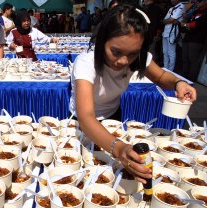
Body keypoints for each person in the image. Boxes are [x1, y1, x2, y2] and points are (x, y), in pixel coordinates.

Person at [70, 4, 197, 183]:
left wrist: (178, 82)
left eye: (132, 54)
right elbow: (86, 116)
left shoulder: (137, 58)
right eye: (116, 52)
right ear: (102, 40)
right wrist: (120, 149)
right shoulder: (86, 62)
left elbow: (161, 76)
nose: (123, 61)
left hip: (112, 117)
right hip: (84, 122)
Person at [180, 0, 207, 82]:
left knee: (193, 60)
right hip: (188, 38)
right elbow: (188, 23)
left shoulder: (205, 12)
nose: (197, 2)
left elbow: (197, 24)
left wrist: (186, 25)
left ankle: (191, 79)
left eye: (199, 1)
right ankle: (184, 77)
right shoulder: (195, 11)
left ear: (205, 1)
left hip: (197, 40)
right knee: (185, 58)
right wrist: (185, 22)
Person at [162, 0, 185, 71]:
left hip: (173, 33)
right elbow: (165, 20)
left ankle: (170, 70)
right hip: (166, 32)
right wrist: (168, 21)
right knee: (165, 52)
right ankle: (165, 68)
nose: (171, 0)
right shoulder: (171, 8)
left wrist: (168, 21)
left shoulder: (181, 6)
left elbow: (171, 19)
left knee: (171, 52)